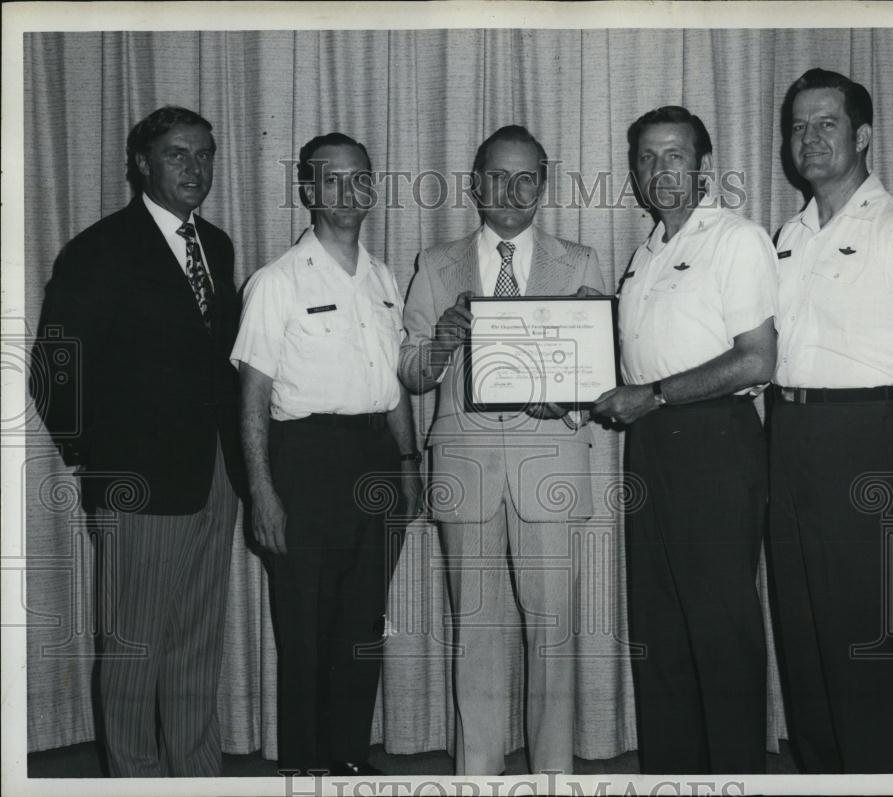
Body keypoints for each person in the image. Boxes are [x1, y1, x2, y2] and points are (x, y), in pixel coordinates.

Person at [767, 68, 893, 774]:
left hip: (872, 439)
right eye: (798, 126)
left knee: (875, 643)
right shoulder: (787, 236)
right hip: (790, 440)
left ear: (861, 136)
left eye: (826, 123)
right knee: (805, 637)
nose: (809, 138)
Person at [33, 106, 244, 776]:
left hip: (217, 475)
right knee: (133, 650)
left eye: (204, 154)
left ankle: (197, 775)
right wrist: (95, 461)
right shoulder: (99, 250)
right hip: (138, 483)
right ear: (142, 164)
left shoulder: (217, 245)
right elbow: (55, 368)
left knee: (197, 644)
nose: (195, 168)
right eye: (178, 154)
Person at [399, 125, 605, 775]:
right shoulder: (436, 264)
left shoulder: (580, 261)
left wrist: (565, 402)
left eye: (525, 179)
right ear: (475, 184)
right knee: (478, 638)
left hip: (550, 469)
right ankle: (477, 778)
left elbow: (598, 371)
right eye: (497, 177)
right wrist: (440, 341)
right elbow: (410, 372)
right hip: (468, 471)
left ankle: (553, 778)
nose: (511, 192)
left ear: (542, 185)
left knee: (553, 640)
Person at [591, 106, 777, 774]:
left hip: (715, 443)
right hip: (651, 446)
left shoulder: (736, 239)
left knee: (720, 629)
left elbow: (756, 360)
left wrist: (653, 395)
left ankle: (735, 778)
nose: (660, 169)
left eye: (674, 155)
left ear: (703, 165)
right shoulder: (645, 253)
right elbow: (634, 365)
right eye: (646, 157)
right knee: (660, 627)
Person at [231, 132, 422, 775]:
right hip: (304, 463)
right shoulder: (276, 282)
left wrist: (408, 464)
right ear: (308, 190)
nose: (347, 191)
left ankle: (348, 761)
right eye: (331, 179)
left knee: (362, 623)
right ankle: (305, 769)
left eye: (359, 177)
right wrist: (262, 491)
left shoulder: (383, 278)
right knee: (305, 629)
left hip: (376, 458)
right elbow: (252, 397)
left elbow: (392, 383)